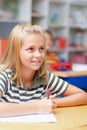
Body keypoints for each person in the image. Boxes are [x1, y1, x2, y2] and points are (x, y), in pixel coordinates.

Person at [0, 24, 87, 117]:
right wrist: (37, 107)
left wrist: (52, 102)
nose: (38, 54)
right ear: (15, 51)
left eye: (41, 49)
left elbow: (83, 96)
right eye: (30, 49)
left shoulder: (44, 77)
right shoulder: (4, 75)